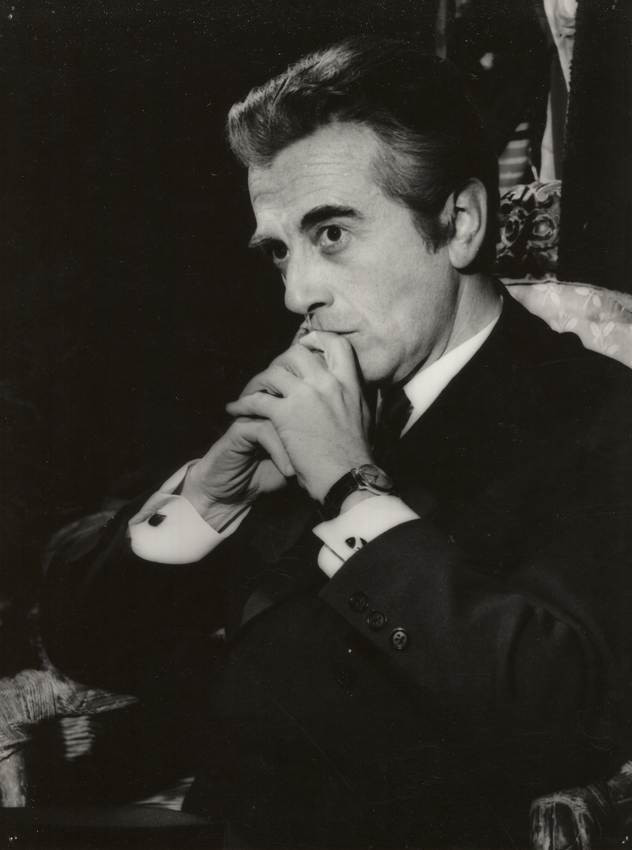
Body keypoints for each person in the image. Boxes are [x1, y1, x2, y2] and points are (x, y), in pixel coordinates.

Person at [42, 39, 632, 849]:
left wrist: (352, 487)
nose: (297, 293)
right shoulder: (308, 392)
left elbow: (563, 720)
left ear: (459, 224)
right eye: (280, 250)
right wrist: (207, 501)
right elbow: (87, 647)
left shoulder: (599, 417)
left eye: (331, 235)